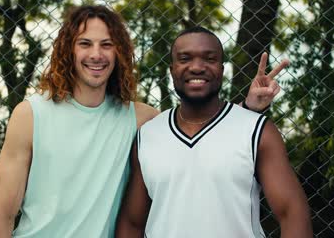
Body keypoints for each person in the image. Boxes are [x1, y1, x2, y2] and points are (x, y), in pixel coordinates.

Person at [0, 5, 285, 237]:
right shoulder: (31, 114)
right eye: (85, 43)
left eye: (106, 44)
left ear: (119, 53)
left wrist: (249, 109)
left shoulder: (141, 119)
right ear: (68, 50)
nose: (96, 54)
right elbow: (2, 215)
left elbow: (204, 137)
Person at [116, 27, 313, 238]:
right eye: (185, 58)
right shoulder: (148, 135)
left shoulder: (257, 130)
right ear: (172, 69)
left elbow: (292, 212)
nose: (197, 67)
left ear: (221, 68)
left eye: (209, 59)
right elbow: (132, 222)